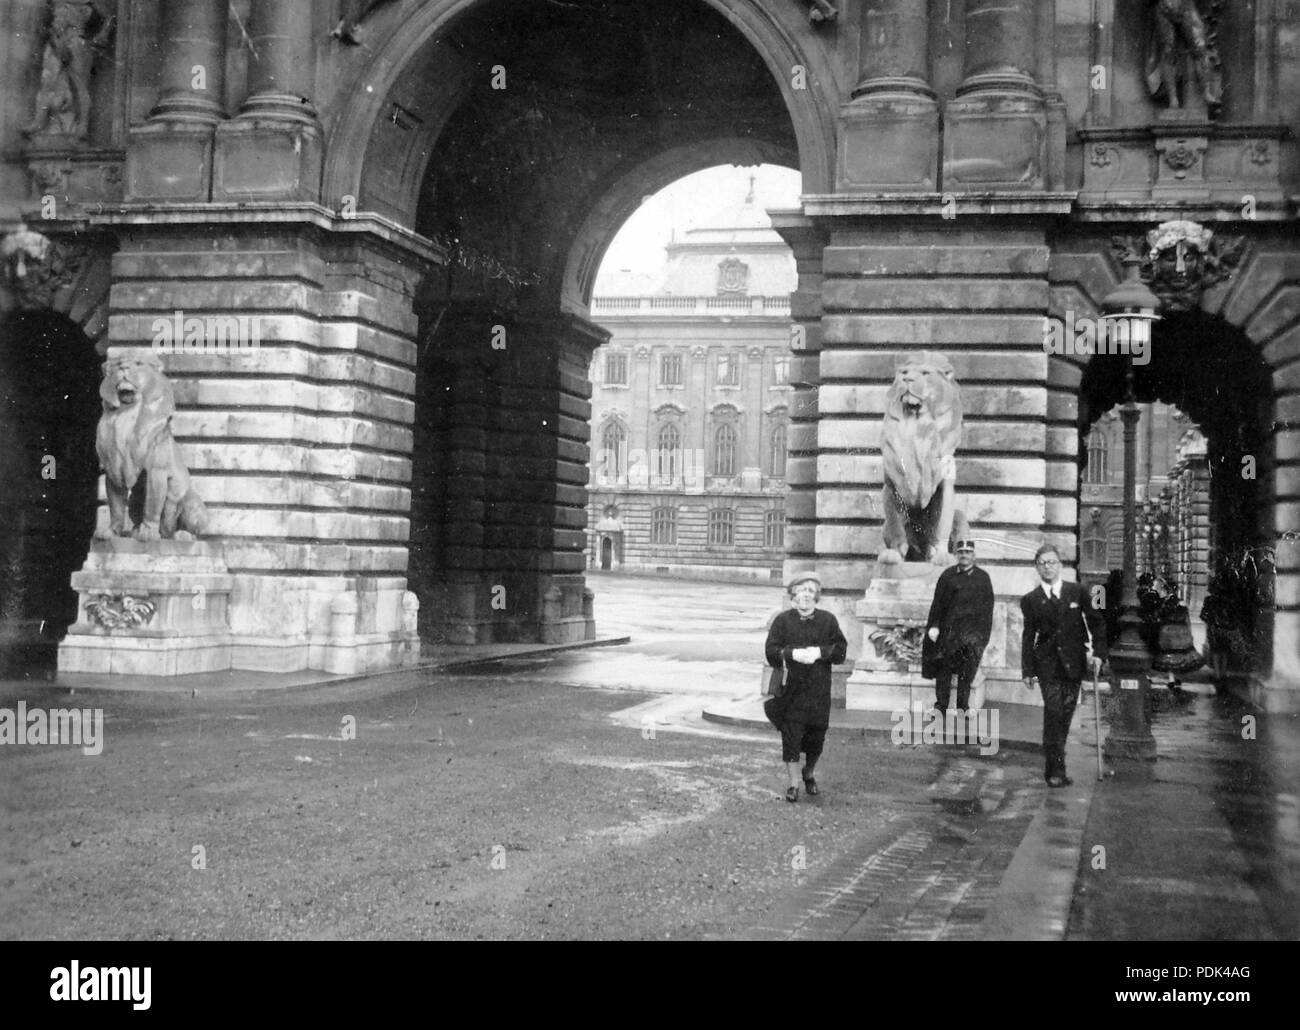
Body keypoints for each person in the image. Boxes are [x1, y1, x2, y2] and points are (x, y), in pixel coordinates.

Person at [1020, 544, 1107, 788]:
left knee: (1065, 714)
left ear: (1060, 565)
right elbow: (1028, 636)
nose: (1047, 567)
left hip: (1074, 663)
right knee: (1054, 711)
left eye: (1052, 562)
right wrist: (1027, 670)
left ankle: (1055, 763)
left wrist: (1099, 653)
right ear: (1037, 568)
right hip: (1047, 665)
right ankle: (1056, 770)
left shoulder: (1077, 592)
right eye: (1042, 563)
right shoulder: (1031, 600)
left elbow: (1097, 623)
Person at [764, 572, 848, 803]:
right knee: (791, 738)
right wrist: (791, 653)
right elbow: (771, 650)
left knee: (816, 739)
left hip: (818, 691)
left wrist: (821, 652)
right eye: (801, 590)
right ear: (793, 596)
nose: (806, 596)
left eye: (811, 591)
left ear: (817, 596)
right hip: (791, 690)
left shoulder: (828, 621)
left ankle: (809, 771)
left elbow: (841, 651)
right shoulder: (783, 621)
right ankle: (793, 783)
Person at [921, 538, 994, 717]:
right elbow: (937, 604)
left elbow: (988, 609)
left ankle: (963, 707)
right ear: (956, 554)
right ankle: (941, 707)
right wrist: (934, 626)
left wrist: (982, 636)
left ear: (973, 555)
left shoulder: (983, 578)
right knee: (943, 670)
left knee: (966, 673)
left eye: (968, 552)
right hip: (949, 633)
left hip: (972, 635)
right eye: (961, 552)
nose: (964, 555)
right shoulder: (947, 576)